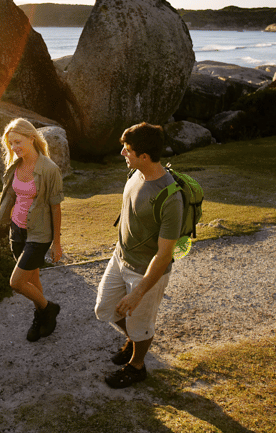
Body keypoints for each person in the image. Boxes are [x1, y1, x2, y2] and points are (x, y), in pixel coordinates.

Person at [94, 122, 183, 388]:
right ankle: (132, 338)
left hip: (145, 271)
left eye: (128, 150)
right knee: (105, 308)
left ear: (144, 156)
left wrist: (139, 291)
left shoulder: (171, 199)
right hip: (120, 258)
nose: (122, 153)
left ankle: (137, 365)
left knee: (141, 325)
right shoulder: (136, 173)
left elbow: (165, 255)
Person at [0, 118, 64, 342]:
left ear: (32, 138)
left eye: (18, 142)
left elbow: (56, 207)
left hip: (39, 234)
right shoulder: (15, 165)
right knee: (32, 279)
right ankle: (42, 316)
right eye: (11, 143)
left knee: (17, 282)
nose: (15, 148)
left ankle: (49, 308)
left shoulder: (49, 169)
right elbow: (8, 198)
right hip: (17, 231)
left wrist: (57, 243)